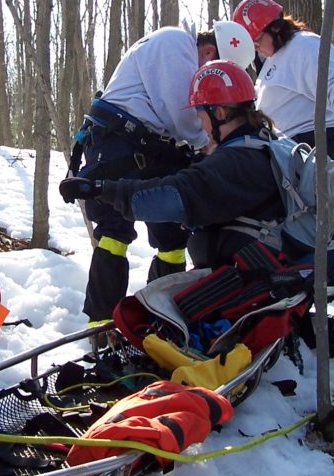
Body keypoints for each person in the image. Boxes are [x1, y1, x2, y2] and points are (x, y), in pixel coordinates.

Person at [59, 59, 334, 282]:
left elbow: (173, 196)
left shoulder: (238, 161)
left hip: (249, 284)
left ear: (219, 113)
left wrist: (98, 189)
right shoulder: (270, 142)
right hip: (276, 274)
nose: (200, 127)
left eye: (200, 116)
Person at [65, 23, 255, 322]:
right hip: (117, 140)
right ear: (208, 52)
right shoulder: (174, 43)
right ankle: (102, 324)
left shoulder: (179, 49)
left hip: (150, 142)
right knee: (114, 232)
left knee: (174, 235)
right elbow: (181, 113)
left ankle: (161, 316)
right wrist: (213, 145)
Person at [231, 0, 334, 165]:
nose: (256, 49)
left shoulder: (304, 45)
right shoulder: (274, 59)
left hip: (309, 142)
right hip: (287, 145)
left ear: (275, 28)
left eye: (257, 41)